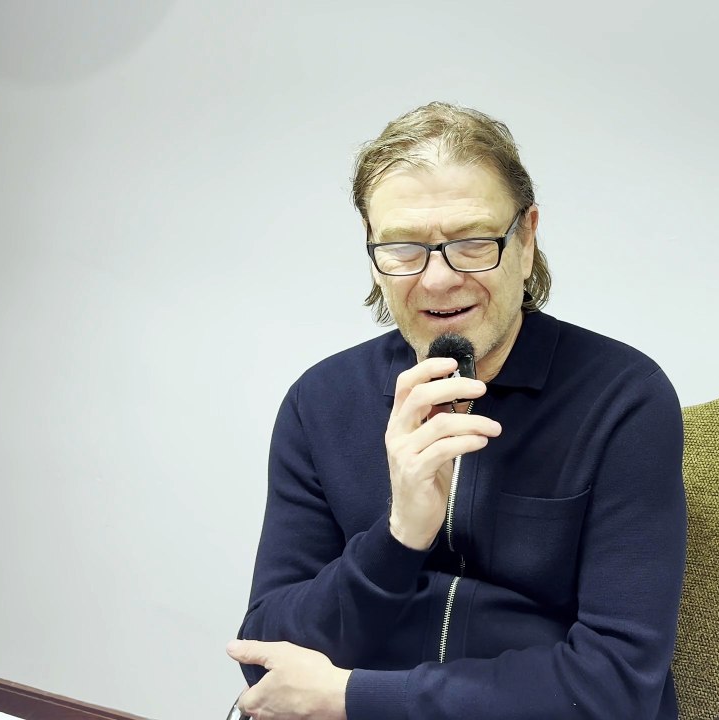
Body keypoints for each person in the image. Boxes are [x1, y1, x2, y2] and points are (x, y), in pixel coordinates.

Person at [227, 101, 687, 720]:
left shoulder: (624, 398)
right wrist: (398, 539)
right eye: (404, 247)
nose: (438, 280)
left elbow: (616, 684)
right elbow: (266, 651)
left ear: (526, 240)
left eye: (472, 243)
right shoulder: (320, 402)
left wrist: (355, 696)